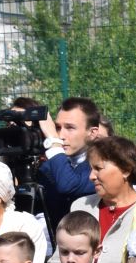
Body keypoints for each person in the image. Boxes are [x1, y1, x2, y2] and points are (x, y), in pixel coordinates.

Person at [73, 135, 136, 263]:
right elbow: (58, 261)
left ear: (126, 170)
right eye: (91, 169)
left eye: (98, 169)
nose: (91, 176)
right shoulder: (80, 207)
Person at [38, 96, 98, 230]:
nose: (60, 135)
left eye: (70, 128)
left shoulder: (103, 165)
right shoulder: (47, 168)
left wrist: (53, 142)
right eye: (57, 127)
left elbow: (68, 185)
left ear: (92, 133)